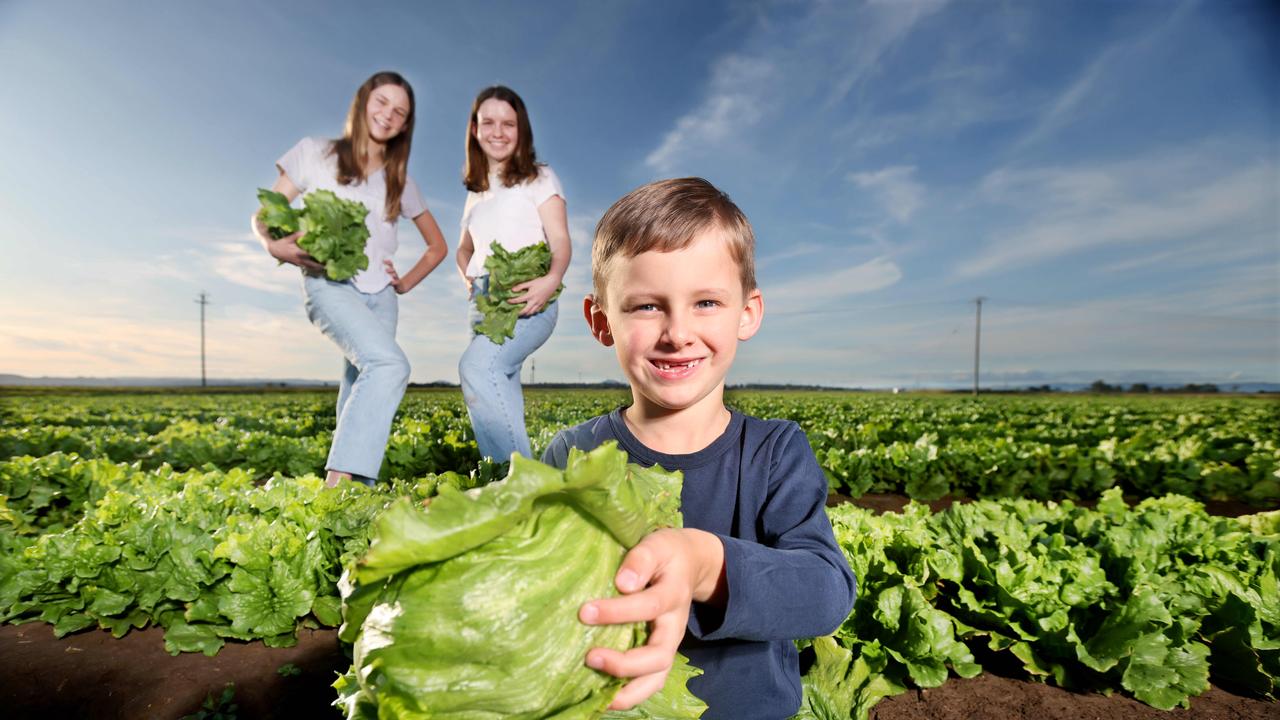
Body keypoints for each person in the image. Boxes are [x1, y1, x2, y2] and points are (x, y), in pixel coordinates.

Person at [541, 178, 856, 719]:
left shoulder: (775, 452)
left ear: (747, 313)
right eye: (646, 307)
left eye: (706, 302)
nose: (677, 332)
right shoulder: (572, 454)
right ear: (601, 322)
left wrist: (705, 565)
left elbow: (826, 591)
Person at [252, 71, 448, 487]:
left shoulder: (400, 181)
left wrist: (405, 282)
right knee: (389, 364)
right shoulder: (314, 152)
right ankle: (339, 484)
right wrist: (274, 245)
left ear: (405, 125)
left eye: (400, 111)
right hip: (329, 284)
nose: (388, 115)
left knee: (357, 392)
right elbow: (266, 212)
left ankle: (356, 501)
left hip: (381, 297)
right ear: (362, 103)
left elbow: (437, 247)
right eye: (381, 102)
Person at [456, 85, 571, 462]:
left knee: (477, 366)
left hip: (527, 297)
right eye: (488, 122)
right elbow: (464, 248)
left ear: (521, 130)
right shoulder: (476, 192)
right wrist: (466, 275)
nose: (498, 131)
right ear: (475, 130)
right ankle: (515, 482)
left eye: (508, 123)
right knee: (501, 387)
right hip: (482, 302)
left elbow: (560, 240)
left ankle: (520, 488)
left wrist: (551, 280)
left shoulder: (540, 177)